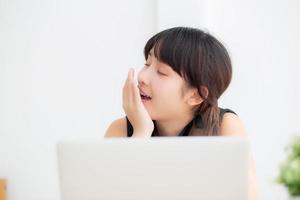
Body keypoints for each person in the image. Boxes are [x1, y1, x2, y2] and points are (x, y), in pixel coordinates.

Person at [104, 27, 258, 199]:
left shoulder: (224, 126)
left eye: (161, 72)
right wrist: (141, 132)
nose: (142, 77)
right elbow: (107, 193)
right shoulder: (120, 130)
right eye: (147, 64)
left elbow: (247, 196)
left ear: (196, 95)